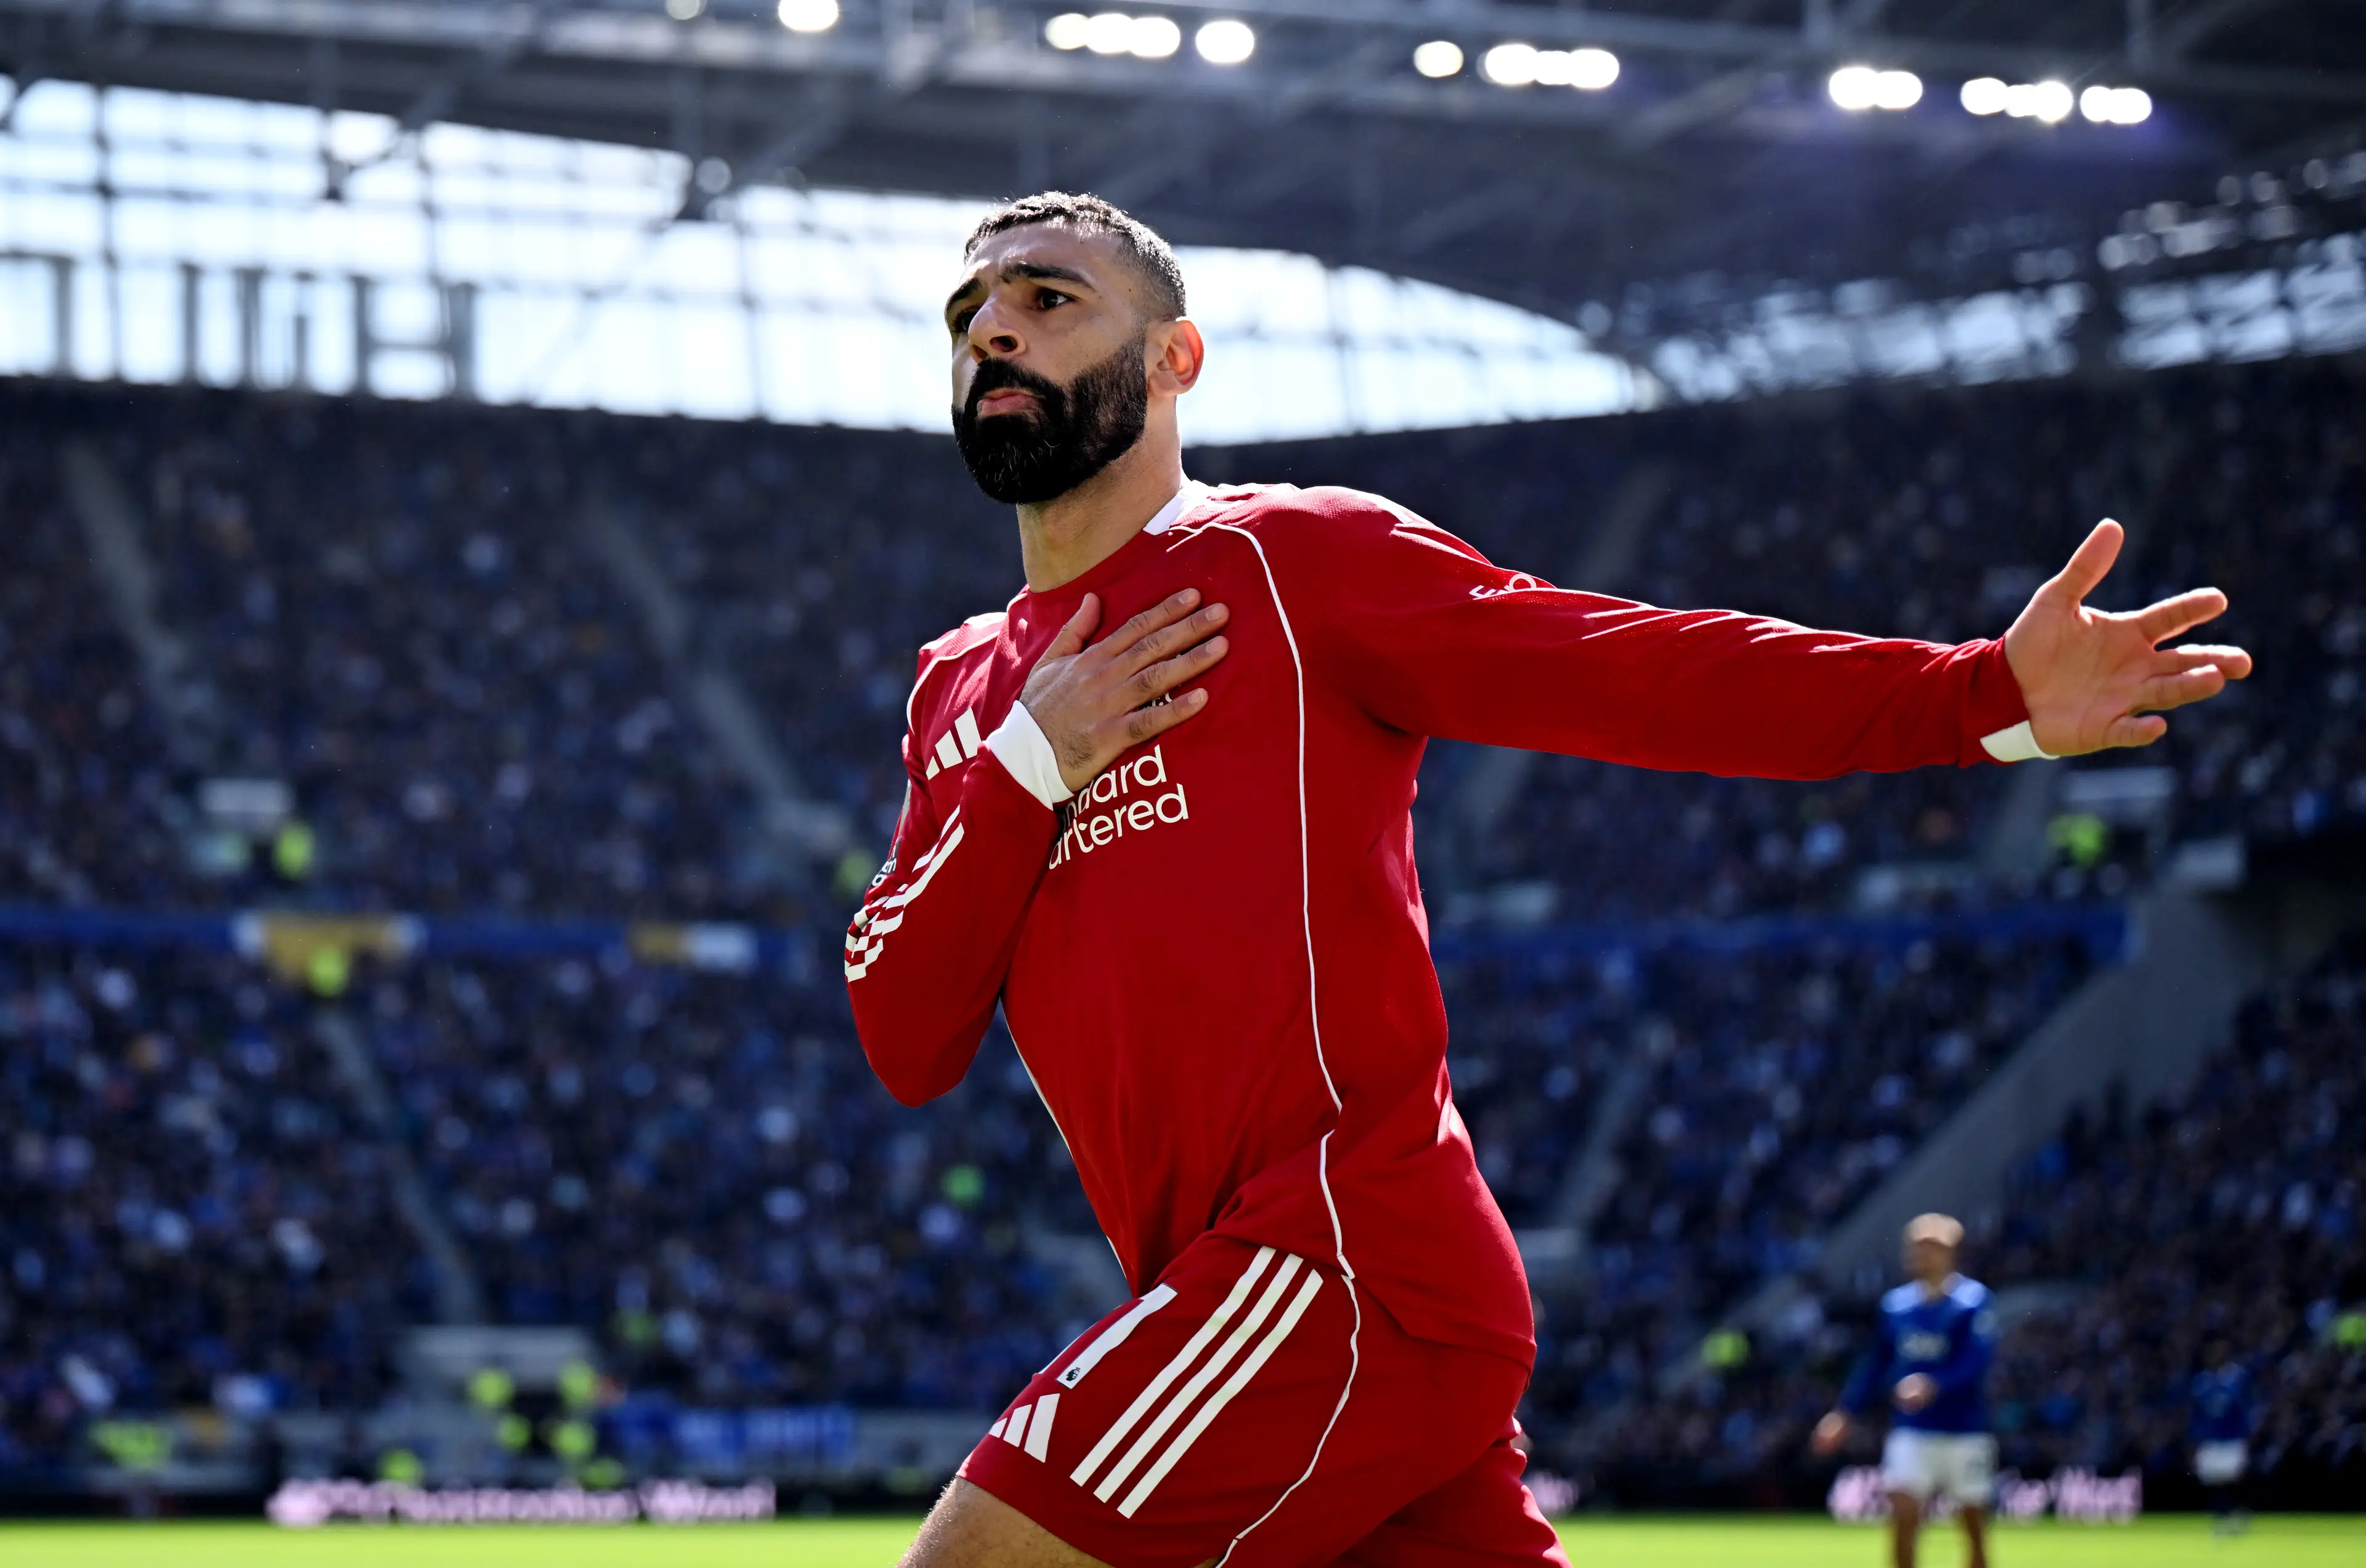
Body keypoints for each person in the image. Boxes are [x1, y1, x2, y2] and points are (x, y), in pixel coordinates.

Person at [845, 190, 2251, 1568]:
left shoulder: (1284, 562)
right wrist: (1034, 759)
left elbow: (1628, 669)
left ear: (1174, 359)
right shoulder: (958, 693)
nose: (995, 334)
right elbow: (905, 1033)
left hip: (1340, 1257)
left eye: (1048, 298)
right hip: (1260, 1300)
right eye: (969, 311)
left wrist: (1976, 694)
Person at [1813, 1215, 1999, 1568]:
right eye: (1916, 1247)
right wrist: (1844, 1413)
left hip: (1965, 1429)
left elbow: (1976, 1361)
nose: (1920, 1255)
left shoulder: (1972, 1302)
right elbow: (1876, 1366)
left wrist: (1934, 1385)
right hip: (1913, 1429)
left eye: (1930, 1247)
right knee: (1903, 1516)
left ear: (1950, 1253)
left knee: (1973, 1525)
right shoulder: (1896, 1306)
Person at [2189, 1339, 2254, 1534]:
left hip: (2232, 1439)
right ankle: (2221, 1519)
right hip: (2211, 1440)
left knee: (2233, 1480)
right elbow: (2197, 1414)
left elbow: (2245, 1407)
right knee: (2214, 1482)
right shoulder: (2201, 1382)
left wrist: (2247, 1435)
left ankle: (2239, 1515)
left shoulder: (2237, 1377)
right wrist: (2195, 1440)